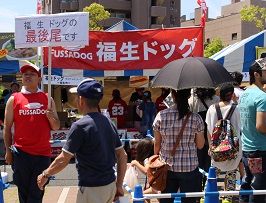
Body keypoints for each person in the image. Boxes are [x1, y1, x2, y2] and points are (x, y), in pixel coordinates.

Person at [37, 79, 128, 203]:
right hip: (110, 185)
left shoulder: (80, 126)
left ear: (81, 100)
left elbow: (64, 159)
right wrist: (119, 185)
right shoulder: (108, 122)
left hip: (92, 188)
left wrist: (45, 174)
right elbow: (122, 155)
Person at [3, 64, 60, 203]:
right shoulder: (14, 99)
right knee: (23, 192)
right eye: (25, 74)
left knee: (37, 191)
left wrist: (51, 117)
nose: (28, 76)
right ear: (21, 78)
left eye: (32, 74)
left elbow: (56, 127)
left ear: (39, 79)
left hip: (42, 154)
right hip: (21, 154)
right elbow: (7, 127)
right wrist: (8, 151)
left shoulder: (47, 99)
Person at [153, 88, 205, 203]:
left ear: (172, 95)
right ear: (188, 96)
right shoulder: (196, 118)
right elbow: (200, 145)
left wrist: (155, 158)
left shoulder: (161, 116)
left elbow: (157, 144)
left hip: (166, 167)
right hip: (189, 167)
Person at [205, 83, 242, 203]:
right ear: (232, 95)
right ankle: (228, 198)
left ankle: (208, 195)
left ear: (219, 94)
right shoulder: (236, 109)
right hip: (233, 148)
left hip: (216, 148)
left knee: (213, 173)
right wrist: (235, 102)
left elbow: (209, 130)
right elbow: (240, 128)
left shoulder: (212, 109)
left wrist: (211, 146)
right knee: (231, 173)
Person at [238, 58, 266, 203]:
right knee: (259, 191)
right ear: (257, 74)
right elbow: (261, 126)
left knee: (247, 186)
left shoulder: (245, 94)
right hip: (260, 150)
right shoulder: (262, 97)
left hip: (247, 148)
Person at [188, 88, 219, 192]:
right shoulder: (216, 99)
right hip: (213, 137)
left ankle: (197, 191)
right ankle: (208, 188)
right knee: (209, 165)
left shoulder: (192, 100)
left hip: (196, 137)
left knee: (197, 165)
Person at [131, 138, 155, 203]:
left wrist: (136, 163)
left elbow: (146, 171)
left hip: (156, 187)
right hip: (158, 186)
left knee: (141, 195)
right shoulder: (155, 157)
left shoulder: (147, 160)